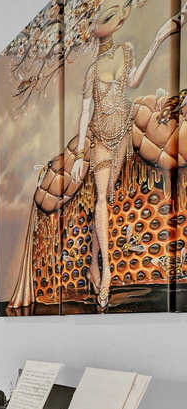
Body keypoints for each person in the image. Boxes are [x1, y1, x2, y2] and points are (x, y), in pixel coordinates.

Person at [67, 0, 184, 309]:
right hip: (101, 137)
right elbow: (83, 112)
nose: (99, 24)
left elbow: (132, 81)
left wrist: (158, 40)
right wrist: (80, 154)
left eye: (109, 17)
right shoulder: (91, 71)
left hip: (122, 135)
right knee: (102, 199)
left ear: (118, 24)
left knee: (104, 198)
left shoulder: (126, 51)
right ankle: (106, 275)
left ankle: (93, 263)